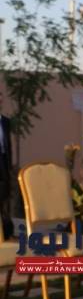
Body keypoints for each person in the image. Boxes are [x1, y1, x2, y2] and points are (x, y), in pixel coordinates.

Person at [0, 91, 13, 238]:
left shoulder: (5, 121)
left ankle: (6, 229)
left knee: (4, 193)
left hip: (3, 161)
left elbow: (8, 145)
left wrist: (9, 165)